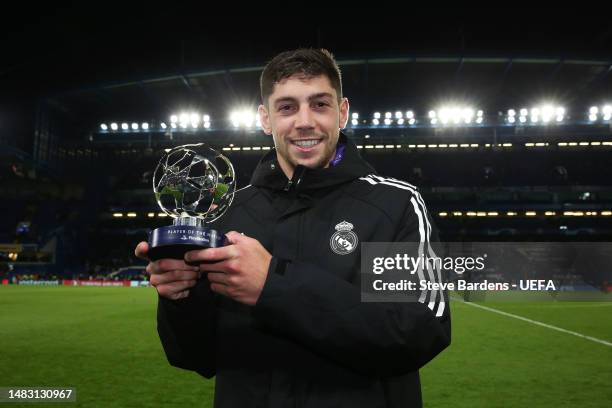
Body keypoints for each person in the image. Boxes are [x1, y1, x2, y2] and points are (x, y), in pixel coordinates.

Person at [135, 48, 451, 407]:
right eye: (286, 107)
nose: (304, 121)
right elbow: (196, 357)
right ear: (266, 119)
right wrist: (181, 299)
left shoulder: (394, 206)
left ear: (342, 112)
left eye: (320, 104)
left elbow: (417, 331)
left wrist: (273, 285)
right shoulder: (227, 212)